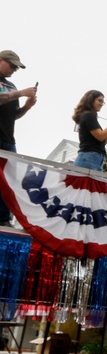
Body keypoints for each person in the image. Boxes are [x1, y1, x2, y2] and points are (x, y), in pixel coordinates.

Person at [0, 50, 36, 226]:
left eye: (16, 67)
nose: (14, 69)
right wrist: (21, 93)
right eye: (12, 65)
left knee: (8, 182)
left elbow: (13, 115)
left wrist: (27, 107)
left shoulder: (12, 85)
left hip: (8, 140)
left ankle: (3, 219)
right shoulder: (15, 90)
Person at [72, 90, 107, 170]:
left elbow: (101, 142)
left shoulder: (88, 116)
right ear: (91, 100)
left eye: (102, 102)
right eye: (99, 100)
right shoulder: (89, 115)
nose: (101, 104)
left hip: (95, 159)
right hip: (89, 158)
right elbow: (101, 136)